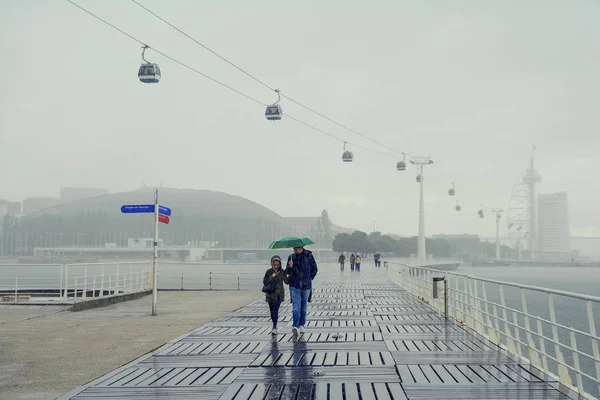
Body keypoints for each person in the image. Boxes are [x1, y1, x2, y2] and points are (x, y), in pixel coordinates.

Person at [286, 246, 318, 335]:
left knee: (303, 307)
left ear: (302, 247)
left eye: (298, 248)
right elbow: (288, 272)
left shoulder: (309, 256)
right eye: (295, 248)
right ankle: (295, 326)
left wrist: (309, 278)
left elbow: (314, 269)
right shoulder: (291, 257)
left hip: (306, 286)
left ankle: (302, 325)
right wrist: (290, 266)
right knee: (296, 306)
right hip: (294, 285)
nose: (296, 250)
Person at [263, 255, 289, 335]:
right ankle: (274, 324)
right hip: (270, 294)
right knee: (272, 311)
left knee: (275, 310)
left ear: (280, 264)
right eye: (274, 265)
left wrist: (291, 273)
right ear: (272, 264)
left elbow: (287, 281)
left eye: (278, 265)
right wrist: (271, 276)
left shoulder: (282, 272)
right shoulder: (269, 271)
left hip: (279, 295)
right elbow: (265, 282)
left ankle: (274, 326)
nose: (276, 266)